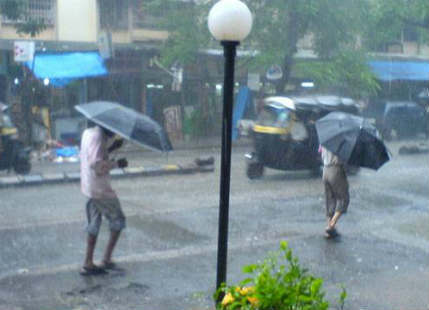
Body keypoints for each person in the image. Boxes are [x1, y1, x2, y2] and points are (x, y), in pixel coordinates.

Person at [79, 122, 128, 275]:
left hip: (89, 186)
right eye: (114, 129)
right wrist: (117, 164)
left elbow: (92, 155)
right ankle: (106, 258)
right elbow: (98, 165)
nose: (115, 132)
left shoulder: (88, 133)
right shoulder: (98, 137)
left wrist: (113, 148)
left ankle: (88, 261)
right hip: (101, 190)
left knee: (94, 224)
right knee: (118, 220)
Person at [320, 145, 349, 238]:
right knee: (343, 199)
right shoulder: (342, 143)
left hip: (325, 171)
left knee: (330, 199)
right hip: (335, 169)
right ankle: (331, 225)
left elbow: (320, 152)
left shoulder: (325, 142)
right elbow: (344, 158)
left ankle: (330, 227)